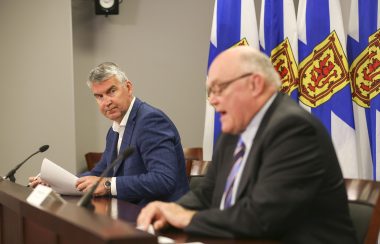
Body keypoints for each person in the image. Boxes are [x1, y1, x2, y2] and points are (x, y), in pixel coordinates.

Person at [137, 46, 358, 243]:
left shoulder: (293, 129)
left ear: (255, 84)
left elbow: (261, 218)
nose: (212, 100)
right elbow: (206, 194)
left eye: (219, 88)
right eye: (210, 92)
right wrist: (171, 210)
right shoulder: (235, 130)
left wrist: (187, 218)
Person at [29, 62, 189, 205]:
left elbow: (163, 179)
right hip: (130, 213)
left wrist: (107, 185)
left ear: (128, 87)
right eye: (99, 96)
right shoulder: (114, 130)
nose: (106, 102)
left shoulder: (150, 120)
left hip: (162, 217)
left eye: (111, 91)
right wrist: (55, 183)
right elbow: (99, 173)